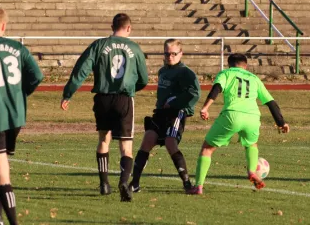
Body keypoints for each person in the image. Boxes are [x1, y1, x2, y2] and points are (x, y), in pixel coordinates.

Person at [60, 13, 148, 202]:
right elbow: (144, 79)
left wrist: (68, 93)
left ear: (112, 26)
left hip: (103, 98)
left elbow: (81, 69)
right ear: (129, 28)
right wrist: (132, 88)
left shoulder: (99, 45)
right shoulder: (134, 47)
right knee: (126, 146)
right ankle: (124, 182)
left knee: (104, 140)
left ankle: (104, 183)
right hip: (124, 99)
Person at [187, 53, 290, 195]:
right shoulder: (254, 78)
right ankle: (252, 171)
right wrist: (281, 122)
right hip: (253, 118)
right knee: (251, 144)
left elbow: (216, 88)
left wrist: (205, 107)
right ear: (245, 66)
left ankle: (198, 186)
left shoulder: (226, 73)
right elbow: (270, 102)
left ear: (229, 64)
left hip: (232, 115)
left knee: (207, 149)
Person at [0, 6, 44, 225]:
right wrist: (19, 93)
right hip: (15, 117)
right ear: (4, 25)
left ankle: (13, 222)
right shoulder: (18, 47)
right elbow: (37, 76)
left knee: (2, 169)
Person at [129, 39, 201, 193]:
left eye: (174, 53)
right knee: (147, 142)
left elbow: (194, 93)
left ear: (181, 54)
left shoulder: (185, 72)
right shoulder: (163, 71)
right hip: (160, 114)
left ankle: (187, 184)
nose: (170, 56)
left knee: (170, 143)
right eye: (167, 53)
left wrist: (176, 102)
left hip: (176, 114)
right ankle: (134, 183)